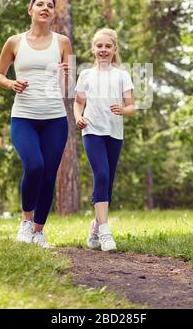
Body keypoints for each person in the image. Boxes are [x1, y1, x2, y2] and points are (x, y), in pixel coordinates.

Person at [0, 0, 71, 249]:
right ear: (31, 10)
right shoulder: (15, 42)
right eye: (40, 4)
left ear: (53, 13)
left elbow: (68, 87)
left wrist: (66, 75)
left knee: (49, 175)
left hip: (55, 119)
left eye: (50, 5)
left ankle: (39, 231)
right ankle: (26, 222)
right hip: (24, 117)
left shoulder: (62, 42)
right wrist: (12, 83)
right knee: (34, 166)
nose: (45, 8)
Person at [74, 28, 136, 252]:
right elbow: (78, 102)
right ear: (93, 48)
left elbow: (132, 106)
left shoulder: (122, 75)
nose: (103, 50)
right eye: (99, 46)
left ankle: (95, 226)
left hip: (114, 133)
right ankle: (105, 231)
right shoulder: (85, 75)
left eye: (107, 46)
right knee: (100, 173)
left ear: (114, 49)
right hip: (91, 131)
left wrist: (123, 109)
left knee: (107, 182)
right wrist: (79, 117)